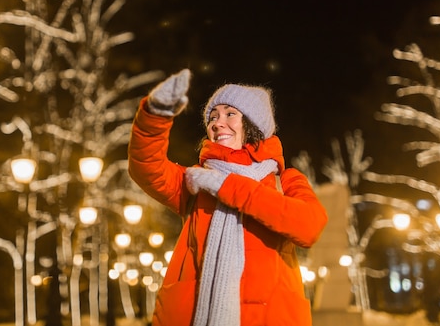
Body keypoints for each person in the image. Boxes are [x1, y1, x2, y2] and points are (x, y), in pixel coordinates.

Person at [128, 69, 328, 326]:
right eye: (213, 116)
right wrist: (154, 115)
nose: (217, 123)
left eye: (230, 114)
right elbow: (146, 167)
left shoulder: (284, 180)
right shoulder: (196, 181)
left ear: (254, 124)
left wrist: (227, 187)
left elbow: (309, 226)